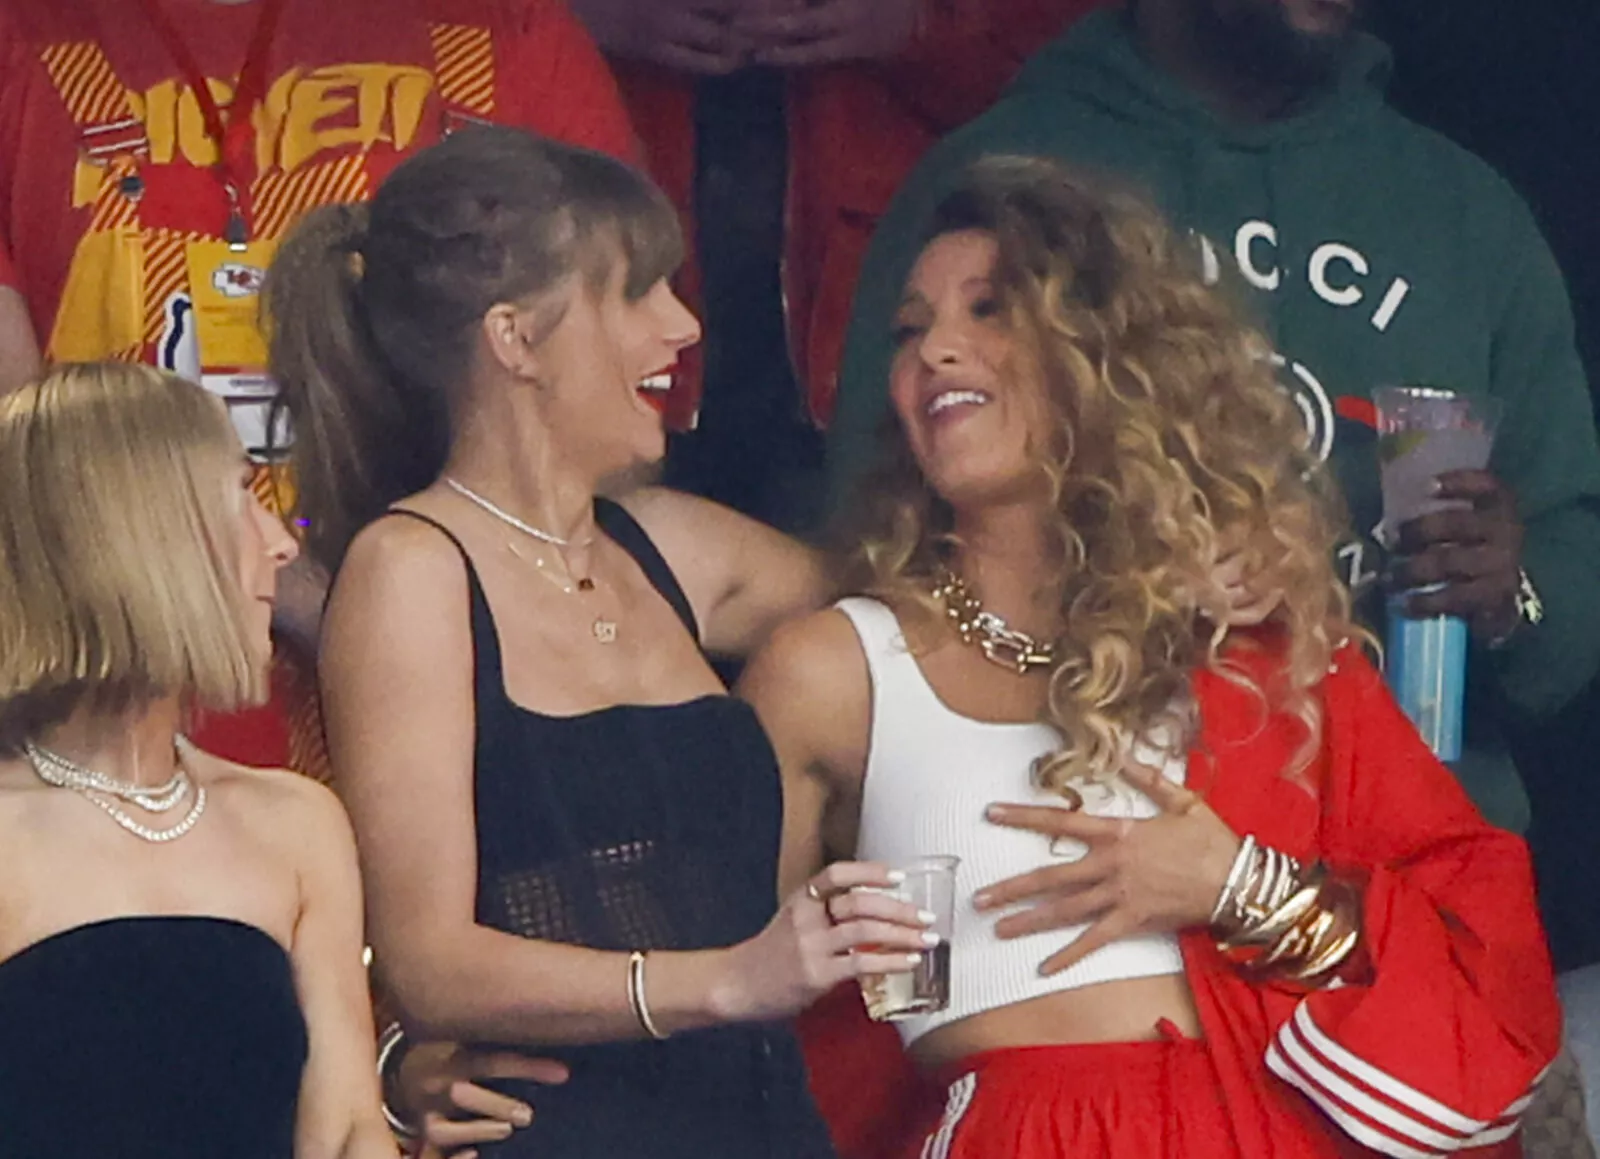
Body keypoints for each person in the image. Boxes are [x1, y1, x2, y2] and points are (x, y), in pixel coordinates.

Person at [741, 157, 1561, 1158]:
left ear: (1102, 357)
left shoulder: (1256, 645)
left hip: (1274, 1132)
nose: (935, 350)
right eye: (909, 330)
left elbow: (1482, 957)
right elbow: (738, 1018)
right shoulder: (832, 669)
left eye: (990, 309)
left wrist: (1238, 887)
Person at [265, 124, 933, 1158]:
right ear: (515, 339)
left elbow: (930, 606)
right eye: (635, 292)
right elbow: (429, 961)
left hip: (764, 1126)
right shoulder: (410, 570)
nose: (682, 324)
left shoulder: (673, 545)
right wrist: (725, 980)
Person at [825, 0, 1600, 835]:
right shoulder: (997, 176)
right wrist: (1138, 587)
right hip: (1089, 830)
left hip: (1410, 857)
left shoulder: (1466, 214)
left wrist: (1511, 595)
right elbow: (877, 543)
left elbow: (1571, 582)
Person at [0, 0, 641, 774]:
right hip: (123, 727)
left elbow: (614, 434)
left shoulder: (505, 28)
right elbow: (20, 470)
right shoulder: (22, 40)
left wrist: (388, 606)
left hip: (466, 700)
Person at [0, 363, 392, 1159]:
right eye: (243, 495)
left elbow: (348, 1127)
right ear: (142, 534)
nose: (281, 542)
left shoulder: (298, 822)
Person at [566, 0, 1102, 531]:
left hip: (860, 317)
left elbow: (1064, 66)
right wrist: (584, 20)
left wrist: (917, 24)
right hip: (620, 300)